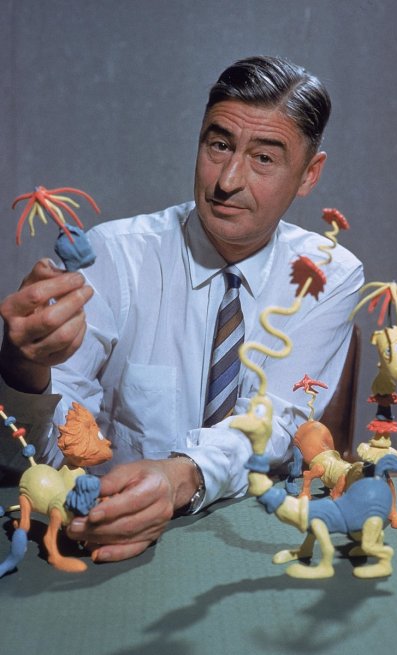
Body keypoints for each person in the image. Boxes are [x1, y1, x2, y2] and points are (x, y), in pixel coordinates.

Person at [0, 56, 363, 564]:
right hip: (109, 534)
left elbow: (277, 424)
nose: (228, 180)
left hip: (256, 539)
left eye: (263, 158)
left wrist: (180, 477)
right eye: (219, 145)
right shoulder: (114, 256)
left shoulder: (326, 276)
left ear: (309, 174)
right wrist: (25, 368)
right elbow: (40, 451)